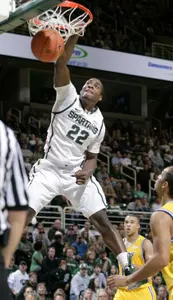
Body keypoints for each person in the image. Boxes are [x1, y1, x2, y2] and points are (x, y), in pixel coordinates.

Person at [27, 33, 131, 273]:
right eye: (87, 83)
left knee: (102, 221)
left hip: (76, 175)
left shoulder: (100, 123)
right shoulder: (68, 96)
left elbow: (92, 157)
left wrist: (86, 171)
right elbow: (61, 62)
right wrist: (75, 34)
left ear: (100, 97)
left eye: (94, 86)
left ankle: (126, 264)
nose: (88, 86)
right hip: (49, 169)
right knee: (25, 212)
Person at [107, 166, 173, 299]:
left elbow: (161, 259)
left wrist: (127, 279)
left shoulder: (162, 215)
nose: (156, 177)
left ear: (165, 185)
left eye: (160, 174)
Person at [0, 120, 29, 300]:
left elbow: (18, 211)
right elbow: (18, 210)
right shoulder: (5, 135)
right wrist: (6, 256)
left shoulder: (6, 136)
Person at [114, 215, 156, 299]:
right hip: (123, 292)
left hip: (142, 290)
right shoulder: (119, 243)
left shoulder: (145, 243)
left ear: (138, 226)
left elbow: (154, 271)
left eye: (132, 222)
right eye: (126, 222)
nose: (128, 225)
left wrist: (131, 266)